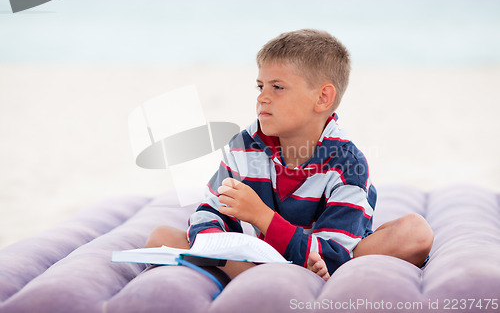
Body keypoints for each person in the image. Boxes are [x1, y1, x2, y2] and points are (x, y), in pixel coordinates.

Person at [146, 29, 434, 281]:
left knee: (414, 233)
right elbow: (209, 212)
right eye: (261, 86)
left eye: (278, 87)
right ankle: (261, 276)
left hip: (329, 253)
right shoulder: (245, 145)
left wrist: (261, 216)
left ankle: (263, 277)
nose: (262, 97)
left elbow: (335, 249)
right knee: (160, 238)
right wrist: (213, 241)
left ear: (322, 98)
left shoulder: (347, 162)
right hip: (268, 254)